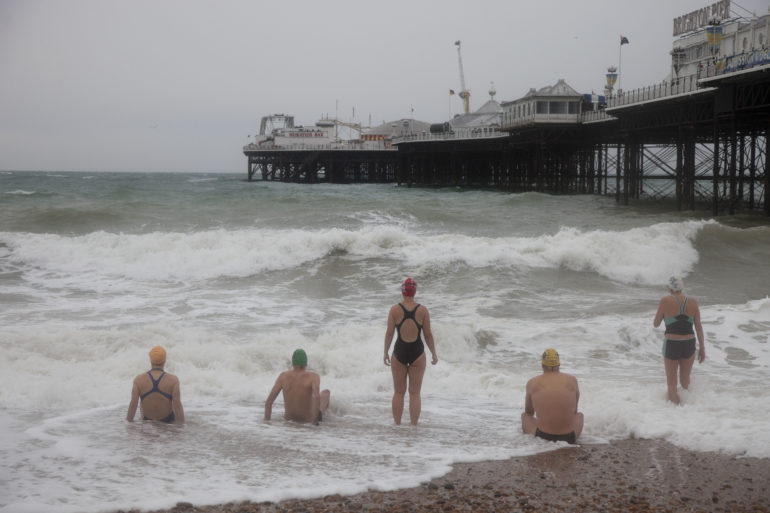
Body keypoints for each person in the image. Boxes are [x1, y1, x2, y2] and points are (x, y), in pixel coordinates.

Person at [383, 277, 438, 425]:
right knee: (415, 394)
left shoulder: (394, 310)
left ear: (402, 291)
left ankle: (397, 425)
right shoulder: (422, 310)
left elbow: (389, 333)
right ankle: (413, 426)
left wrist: (385, 352)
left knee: (399, 392)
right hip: (417, 353)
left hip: (399, 351)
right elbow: (428, 334)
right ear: (415, 292)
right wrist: (433, 353)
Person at [653, 275, 706, 404]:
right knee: (685, 382)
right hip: (689, 343)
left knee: (671, 384)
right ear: (682, 288)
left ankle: (675, 415)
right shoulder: (693, 302)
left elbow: (656, 323)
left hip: (672, 343)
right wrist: (702, 348)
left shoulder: (665, 300)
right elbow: (698, 327)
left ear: (670, 289)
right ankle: (686, 412)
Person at [521, 348, 583, 444]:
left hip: (543, 436)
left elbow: (529, 412)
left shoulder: (533, 382)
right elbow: (574, 412)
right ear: (558, 364)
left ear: (542, 365)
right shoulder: (572, 380)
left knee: (525, 416)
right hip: (569, 437)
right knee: (579, 415)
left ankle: (528, 443)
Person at [264, 349, 330, 424]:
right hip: (306, 420)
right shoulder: (313, 376)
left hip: (288, 420)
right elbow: (316, 397)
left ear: (293, 363)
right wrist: (315, 422)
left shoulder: (283, 376)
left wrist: (267, 423)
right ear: (306, 363)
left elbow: (269, 402)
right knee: (326, 393)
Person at [126, 345, 185, 423]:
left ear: (150, 360)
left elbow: (133, 405)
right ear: (164, 360)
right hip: (168, 423)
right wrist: (181, 428)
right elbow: (177, 405)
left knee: (141, 403)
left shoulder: (139, 379)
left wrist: (128, 425)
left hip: (147, 423)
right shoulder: (173, 380)